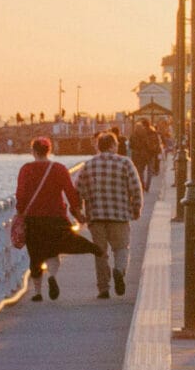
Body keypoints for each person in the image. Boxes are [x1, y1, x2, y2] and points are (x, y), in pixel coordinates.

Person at [16, 137, 96, 302]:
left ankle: (37, 292)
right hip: (56, 217)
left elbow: (21, 194)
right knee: (53, 250)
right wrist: (77, 212)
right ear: (49, 150)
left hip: (33, 218)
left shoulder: (26, 169)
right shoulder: (59, 168)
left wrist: (20, 211)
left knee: (35, 254)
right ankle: (52, 276)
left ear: (33, 151)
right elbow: (70, 192)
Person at [74, 129, 144, 299]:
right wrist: (136, 209)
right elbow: (136, 188)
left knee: (100, 253)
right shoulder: (125, 163)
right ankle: (119, 270)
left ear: (98, 146)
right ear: (114, 146)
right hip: (120, 215)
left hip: (96, 216)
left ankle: (103, 288)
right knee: (121, 249)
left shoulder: (88, 165)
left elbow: (77, 191)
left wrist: (78, 213)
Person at [130, 121, 163, 192]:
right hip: (151, 154)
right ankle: (148, 186)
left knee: (141, 171)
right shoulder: (153, 132)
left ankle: (143, 185)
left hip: (142, 155)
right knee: (150, 171)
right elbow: (157, 143)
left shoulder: (139, 133)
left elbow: (132, 145)